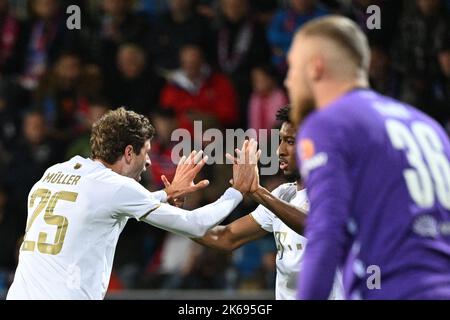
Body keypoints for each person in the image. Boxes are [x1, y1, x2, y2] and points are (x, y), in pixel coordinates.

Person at [6, 107, 258, 300]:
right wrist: (236, 191)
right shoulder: (115, 187)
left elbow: (102, 202)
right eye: (145, 152)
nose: (148, 162)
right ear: (128, 153)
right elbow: (195, 224)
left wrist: (164, 194)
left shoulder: (55, 172)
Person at [285, 15, 450, 299]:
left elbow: (325, 234)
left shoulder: (328, 123)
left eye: (292, 67)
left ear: (316, 67)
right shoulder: (427, 125)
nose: (288, 80)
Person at [191, 105, 343, 300]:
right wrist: (169, 214)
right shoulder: (282, 194)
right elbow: (226, 237)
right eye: (281, 140)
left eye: (290, 141)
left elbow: (315, 226)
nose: (280, 150)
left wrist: (258, 192)